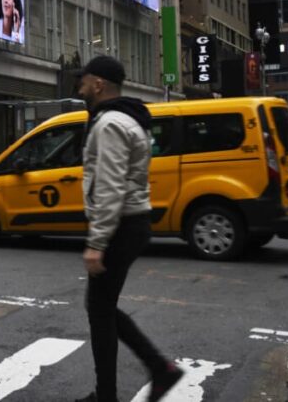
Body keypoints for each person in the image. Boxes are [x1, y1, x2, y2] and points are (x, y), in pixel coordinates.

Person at [74, 55, 182, 402]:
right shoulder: (128, 118)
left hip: (121, 224)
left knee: (100, 309)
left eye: (84, 81)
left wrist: (97, 241)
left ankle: (153, 372)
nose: (81, 88)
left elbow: (110, 185)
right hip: (131, 222)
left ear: (99, 84)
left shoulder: (109, 125)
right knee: (101, 307)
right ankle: (137, 378)